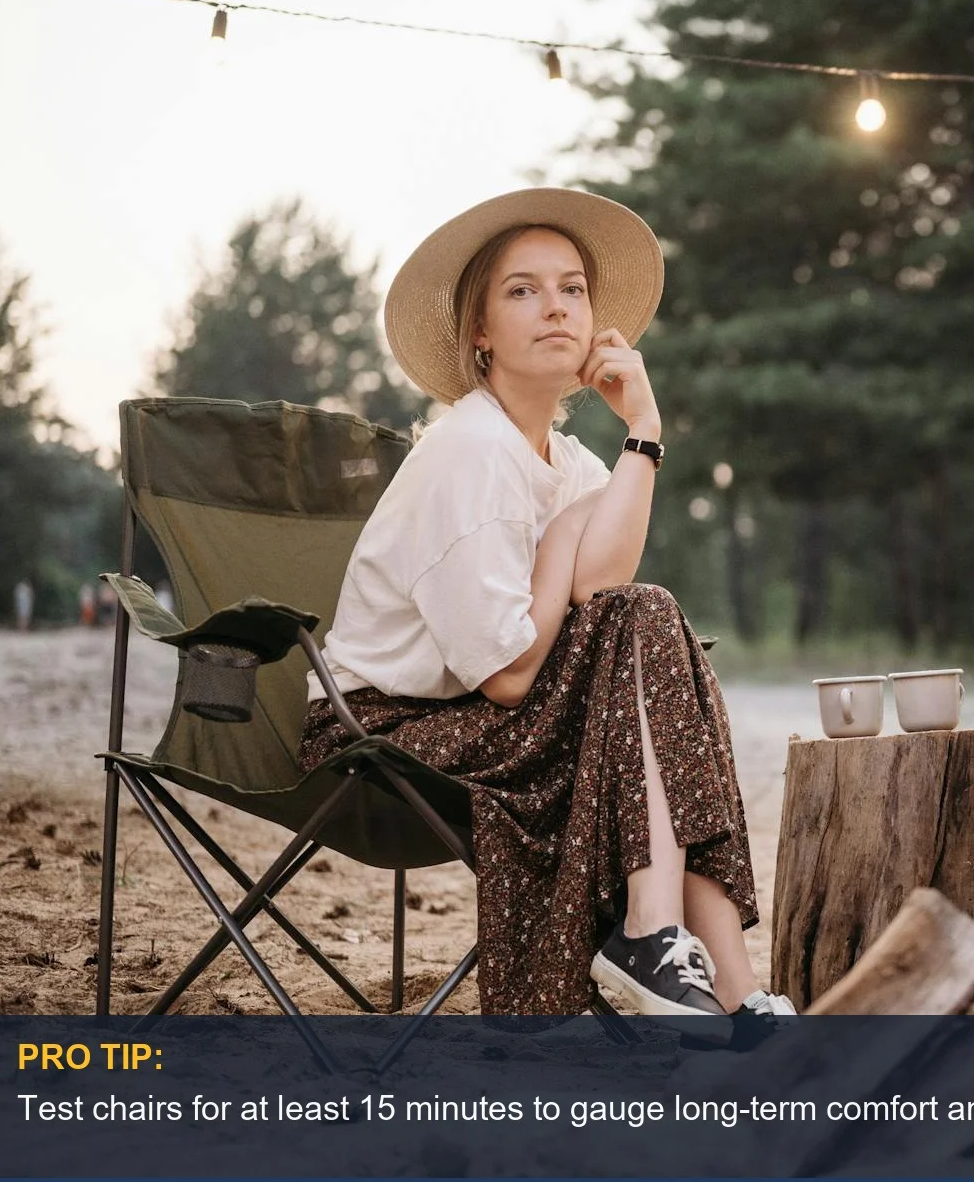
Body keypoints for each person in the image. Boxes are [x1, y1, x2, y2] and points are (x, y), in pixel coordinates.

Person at [298, 187, 792, 1040]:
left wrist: (643, 424)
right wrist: (565, 527)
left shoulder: (563, 454)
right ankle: (652, 938)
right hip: (385, 729)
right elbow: (509, 673)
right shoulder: (472, 450)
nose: (555, 306)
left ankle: (737, 991)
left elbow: (606, 584)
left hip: (485, 721)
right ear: (480, 331)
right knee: (646, 628)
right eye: (523, 289)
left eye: (571, 288)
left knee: (647, 629)